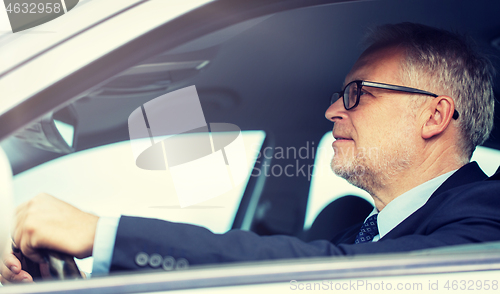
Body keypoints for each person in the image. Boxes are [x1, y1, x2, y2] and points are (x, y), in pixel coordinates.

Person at [2, 22, 500, 283]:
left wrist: (102, 233)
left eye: (356, 93)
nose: (331, 111)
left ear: (434, 116)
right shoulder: (358, 234)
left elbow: (334, 274)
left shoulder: (487, 217)